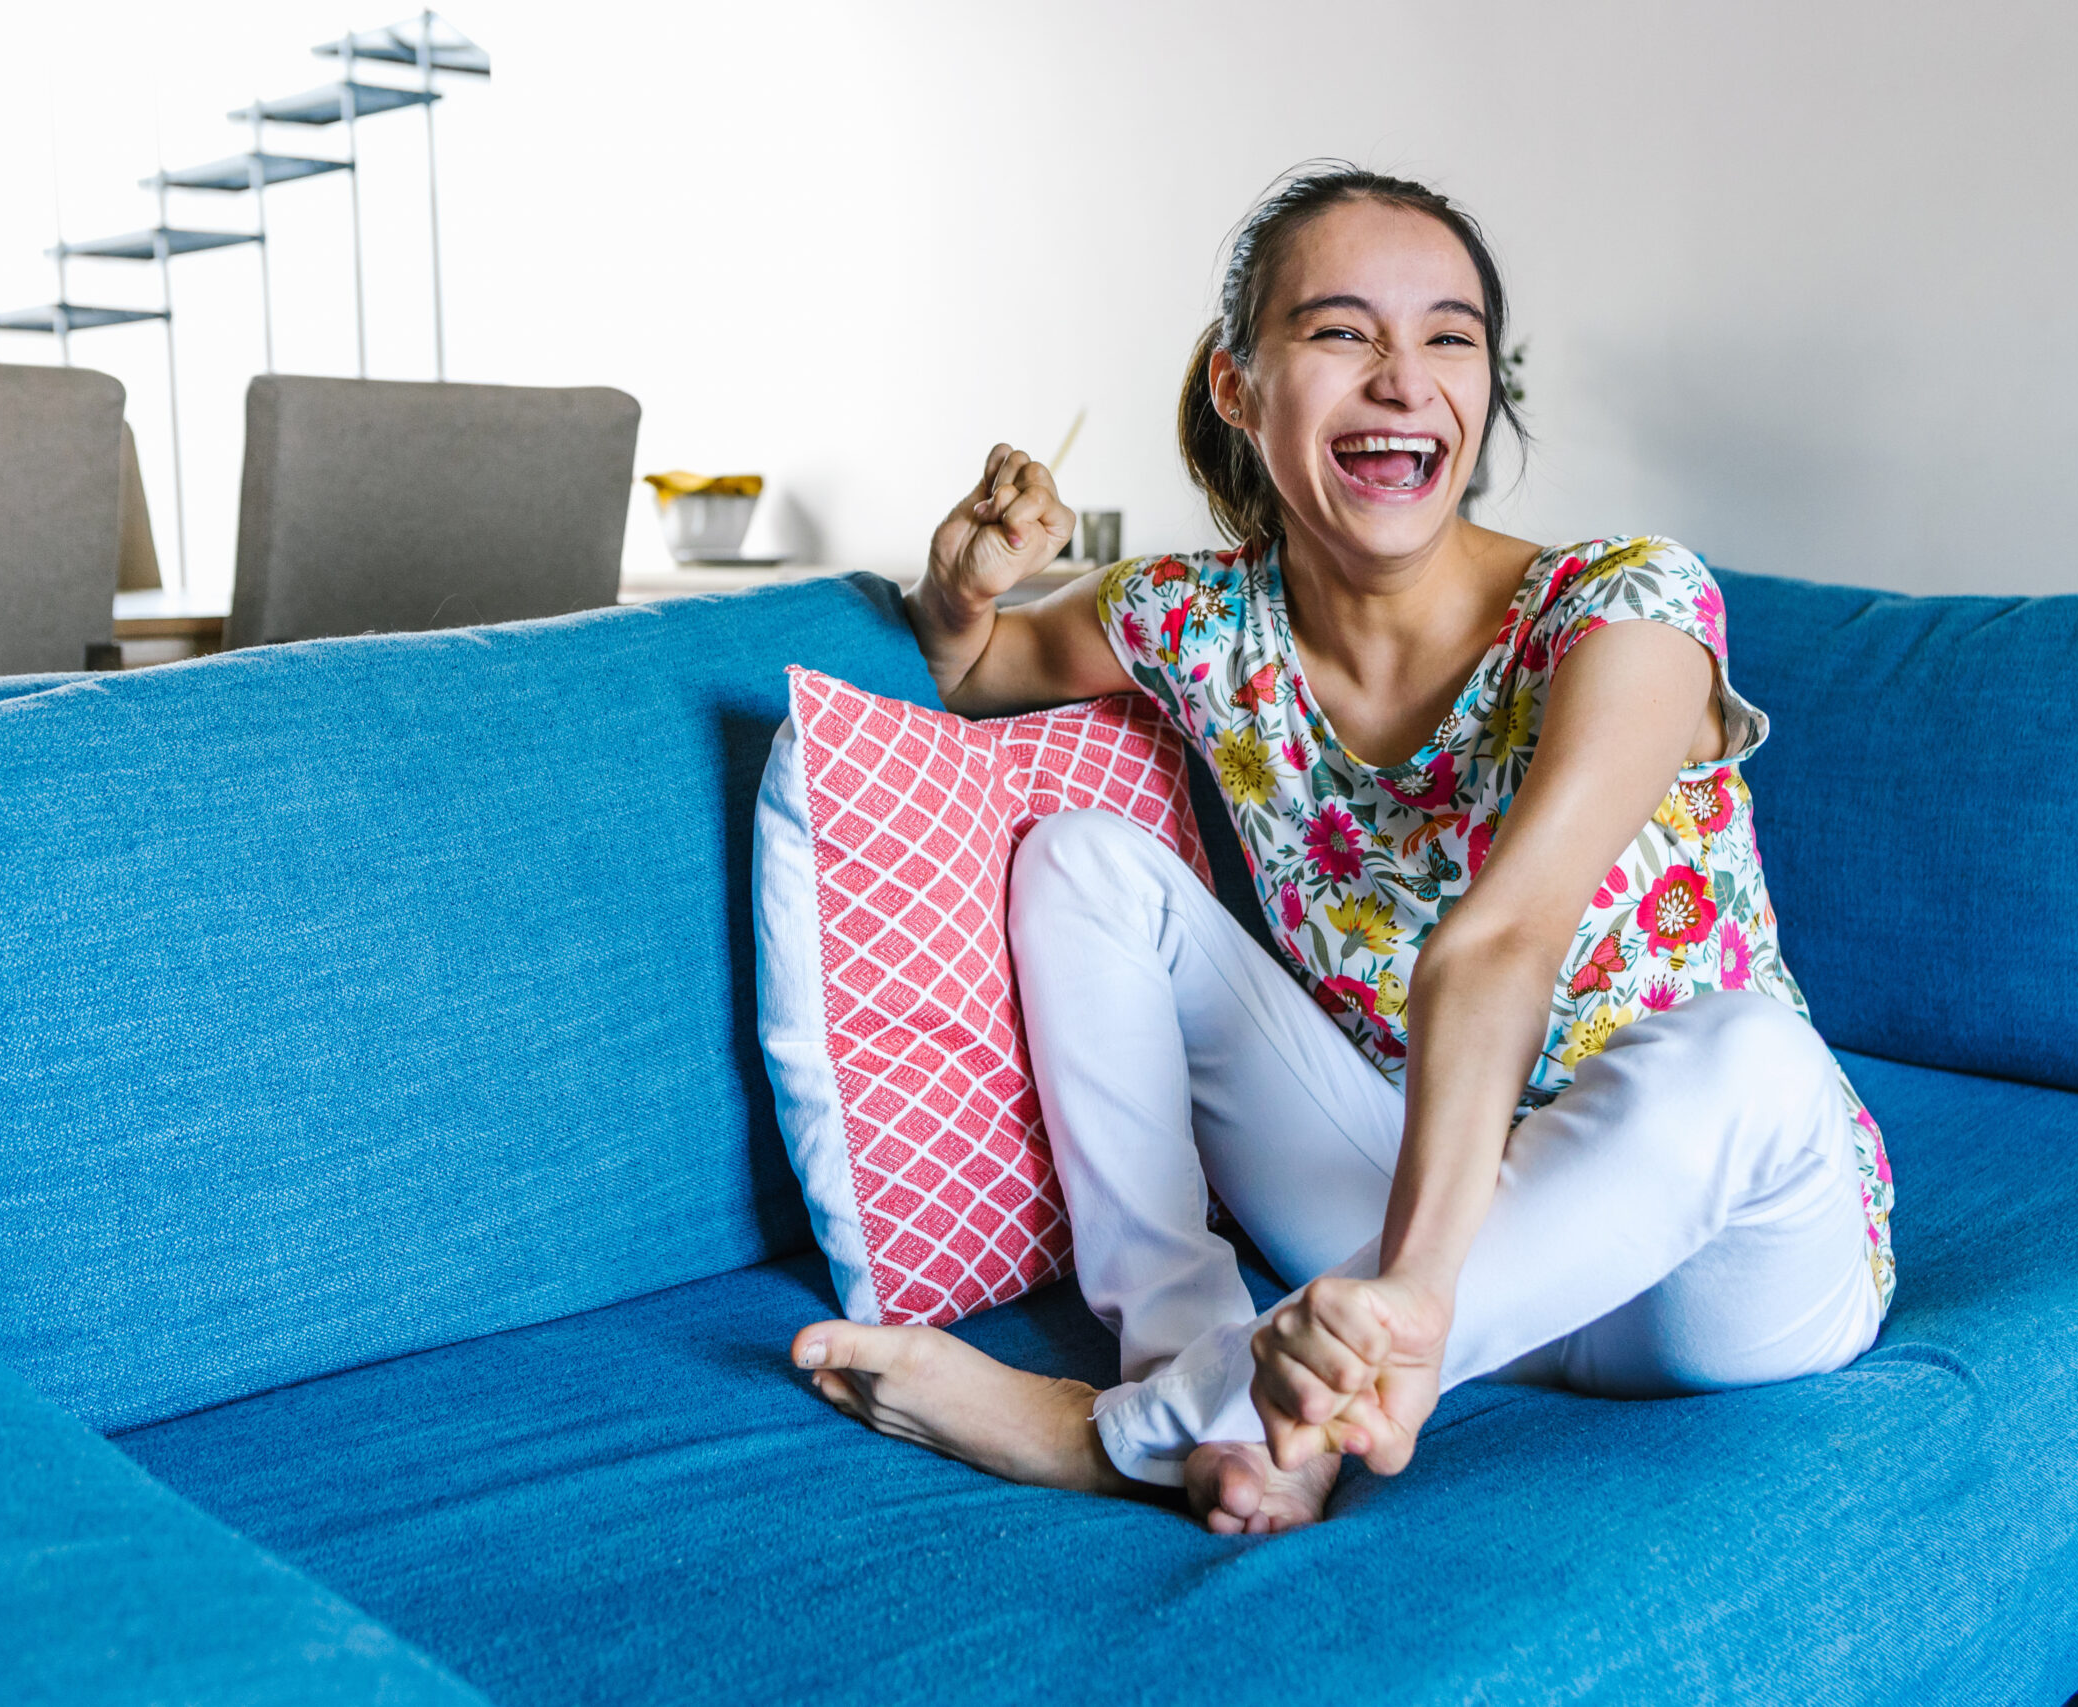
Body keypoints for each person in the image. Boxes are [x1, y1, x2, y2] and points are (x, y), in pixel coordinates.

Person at [790, 166, 1894, 1535]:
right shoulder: (1197, 621)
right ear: (1236, 386)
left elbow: (1503, 943)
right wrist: (960, 587)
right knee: (1079, 859)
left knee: (1748, 1056)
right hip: (1409, 1238)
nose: (1402, 377)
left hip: (1715, 1279)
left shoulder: (1630, 607)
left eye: (1450, 336)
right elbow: (978, 666)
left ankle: (1130, 1429)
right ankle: (1205, 1383)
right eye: (1338, 331)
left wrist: (1418, 1297)